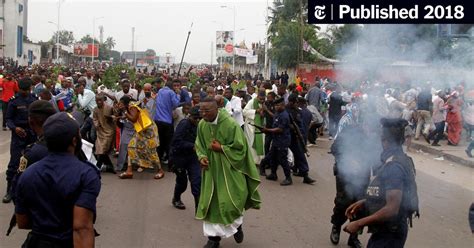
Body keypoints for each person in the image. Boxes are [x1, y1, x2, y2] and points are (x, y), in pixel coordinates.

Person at [15, 112, 101, 248]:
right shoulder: (86, 174)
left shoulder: (28, 174)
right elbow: (81, 228)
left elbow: (22, 222)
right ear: (74, 140)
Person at [195, 97, 261, 248]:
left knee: (231, 202)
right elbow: (199, 144)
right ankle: (213, 239)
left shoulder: (231, 124)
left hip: (229, 169)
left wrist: (222, 148)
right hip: (211, 171)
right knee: (210, 203)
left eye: (207, 111)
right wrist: (202, 157)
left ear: (217, 109)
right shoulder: (202, 125)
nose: (203, 114)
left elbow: (241, 149)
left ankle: (237, 226)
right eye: (201, 110)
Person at [343, 118, 416, 248]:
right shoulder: (399, 159)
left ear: (385, 141)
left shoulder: (394, 166)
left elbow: (392, 208)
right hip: (386, 231)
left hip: (390, 234)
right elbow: (389, 195)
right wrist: (366, 201)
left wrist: (359, 223)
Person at [329, 124, 371, 248]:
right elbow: (335, 148)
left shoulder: (375, 136)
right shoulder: (349, 130)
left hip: (363, 175)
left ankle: (354, 237)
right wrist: (348, 159)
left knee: (361, 206)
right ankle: (336, 227)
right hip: (345, 173)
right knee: (343, 202)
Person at [3, 77, 37, 203]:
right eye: (22, 90)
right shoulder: (14, 101)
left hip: (31, 134)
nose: (24, 92)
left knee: (32, 163)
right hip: (18, 135)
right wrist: (15, 128)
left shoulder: (34, 99)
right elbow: (8, 118)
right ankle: (9, 191)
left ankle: (31, 191)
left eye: (26, 90)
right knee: (14, 164)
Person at [118, 95, 165, 179]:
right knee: (131, 146)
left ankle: (160, 170)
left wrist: (125, 112)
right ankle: (129, 171)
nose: (119, 105)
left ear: (125, 103)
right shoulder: (131, 107)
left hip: (148, 130)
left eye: (121, 104)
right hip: (141, 130)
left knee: (151, 150)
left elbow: (134, 119)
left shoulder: (132, 106)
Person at [170, 106, 201, 211]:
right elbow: (176, 142)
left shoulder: (201, 125)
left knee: (197, 181)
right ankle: (176, 198)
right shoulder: (184, 124)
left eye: (199, 118)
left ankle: (199, 207)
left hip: (193, 157)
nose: (197, 120)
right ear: (190, 116)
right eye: (195, 118)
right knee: (182, 182)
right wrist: (191, 145)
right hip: (180, 157)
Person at [261, 97, 293, 185]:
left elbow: (280, 129)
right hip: (276, 140)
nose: (276, 107)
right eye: (275, 105)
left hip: (282, 141)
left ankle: (288, 178)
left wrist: (267, 130)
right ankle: (273, 174)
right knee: (273, 157)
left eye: (278, 105)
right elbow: (273, 116)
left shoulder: (284, 115)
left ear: (283, 105)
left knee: (282, 159)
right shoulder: (278, 113)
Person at [286, 93, 316, 184]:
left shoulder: (298, 111)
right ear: (291, 102)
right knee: (275, 155)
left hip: (295, 137)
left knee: (300, 154)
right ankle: (270, 170)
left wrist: (302, 136)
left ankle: (305, 174)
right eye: (295, 102)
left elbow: (300, 125)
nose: (296, 104)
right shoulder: (285, 110)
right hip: (285, 136)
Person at [154, 79, 181, 164]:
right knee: (168, 143)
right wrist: (178, 94)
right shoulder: (171, 93)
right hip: (167, 121)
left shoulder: (160, 91)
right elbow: (176, 104)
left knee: (159, 142)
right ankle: (170, 162)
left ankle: (158, 160)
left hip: (157, 120)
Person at [93, 93, 115, 173]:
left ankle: (98, 166)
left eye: (100, 100)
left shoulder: (109, 108)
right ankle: (110, 166)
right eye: (97, 100)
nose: (98, 102)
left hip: (109, 131)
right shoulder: (95, 109)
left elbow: (115, 115)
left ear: (103, 100)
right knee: (101, 150)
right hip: (100, 131)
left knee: (103, 149)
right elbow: (95, 118)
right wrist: (96, 124)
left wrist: (112, 117)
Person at [243, 89, 266, 165]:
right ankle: (253, 160)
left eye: (263, 99)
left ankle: (261, 160)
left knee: (261, 142)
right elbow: (244, 112)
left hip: (261, 125)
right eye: (260, 99)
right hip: (251, 125)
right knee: (252, 142)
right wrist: (256, 111)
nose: (262, 100)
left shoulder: (265, 103)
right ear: (258, 96)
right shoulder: (252, 102)